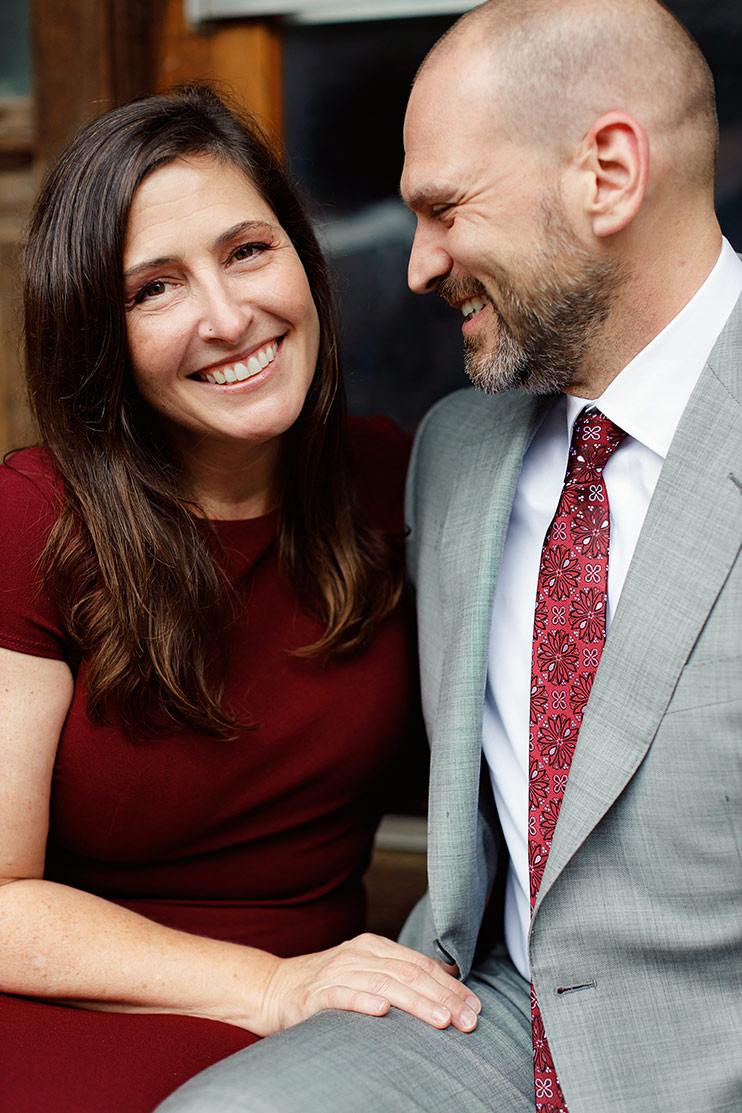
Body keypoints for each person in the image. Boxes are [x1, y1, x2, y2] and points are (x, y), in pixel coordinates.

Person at [155, 2, 742, 1112]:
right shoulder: (456, 456)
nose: (419, 264)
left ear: (609, 174)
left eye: (444, 208)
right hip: (494, 1013)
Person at [0, 85, 481, 1113]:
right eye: (153, 289)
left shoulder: (394, 481)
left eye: (248, 251)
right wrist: (267, 986)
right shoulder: (32, 520)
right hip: (74, 1002)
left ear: (303, 256)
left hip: (321, 1027)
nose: (227, 319)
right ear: (98, 333)